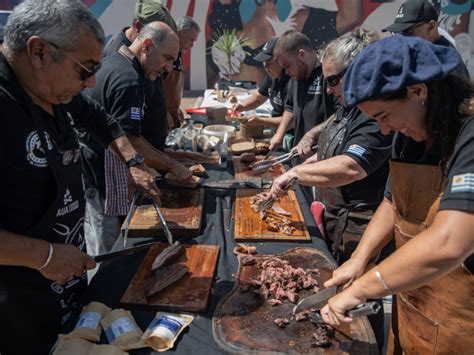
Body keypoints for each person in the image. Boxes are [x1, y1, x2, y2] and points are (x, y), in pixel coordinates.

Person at [0, 1, 160, 353]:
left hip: (67, 282)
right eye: (85, 69)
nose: (91, 81)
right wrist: (42, 256)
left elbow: (101, 120)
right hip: (16, 305)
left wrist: (133, 160)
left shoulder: (52, 89)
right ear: (38, 51)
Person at [320, 36, 474, 354]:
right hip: (413, 310)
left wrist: (363, 287)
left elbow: (451, 242)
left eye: (383, 116)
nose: (385, 130)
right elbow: (392, 203)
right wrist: (359, 260)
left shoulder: (469, 137)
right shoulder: (410, 136)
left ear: (418, 92)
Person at [82, 22, 192, 257]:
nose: (168, 68)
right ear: (147, 46)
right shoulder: (127, 79)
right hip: (101, 177)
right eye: (167, 58)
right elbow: (130, 138)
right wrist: (173, 166)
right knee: (108, 248)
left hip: (101, 171)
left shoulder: (117, 61)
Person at [104, 0, 176, 151]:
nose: (168, 68)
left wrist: (165, 112)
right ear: (139, 28)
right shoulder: (122, 69)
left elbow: (155, 89)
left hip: (153, 152)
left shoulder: (147, 58)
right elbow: (126, 137)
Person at [271, 30, 336, 152]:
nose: (286, 72)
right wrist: (279, 134)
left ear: (301, 54)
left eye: (287, 65)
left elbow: (342, 114)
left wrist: (312, 135)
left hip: (322, 154)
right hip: (299, 151)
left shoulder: (327, 73)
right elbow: (290, 108)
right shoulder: (296, 76)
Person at [382, 0, 469, 78]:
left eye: (408, 32)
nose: (401, 40)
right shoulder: (419, 54)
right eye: (396, 33)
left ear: (431, 27)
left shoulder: (448, 63)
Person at [231, 36, 290, 128]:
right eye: (264, 63)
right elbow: (259, 96)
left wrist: (262, 121)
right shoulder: (272, 75)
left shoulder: (294, 81)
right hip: (276, 128)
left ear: (281, 61)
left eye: (269, 63)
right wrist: (242, 106)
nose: (265, 67)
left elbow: (293, 120)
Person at [164, 15, 201, 130]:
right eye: (190, 39)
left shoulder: (178, 54)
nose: (192, 45)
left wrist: (176, 109)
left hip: (172, 115)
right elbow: (153, 90)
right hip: (161, 117)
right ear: (178, 33)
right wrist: (163, 112)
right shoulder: (164, 55)